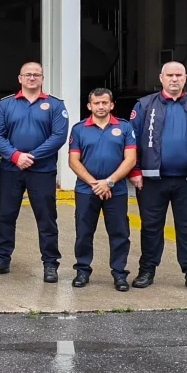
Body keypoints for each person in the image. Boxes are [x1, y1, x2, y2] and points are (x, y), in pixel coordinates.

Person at [129, 60, 187, 294]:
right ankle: (147, 271)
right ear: (161, 78)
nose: (174, 79)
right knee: (151, 228)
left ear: (185, 78)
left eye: (179, 75)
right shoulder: (144, 105)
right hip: (151, 181)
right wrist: (135, 170)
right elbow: (131, 141)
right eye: (170, 75)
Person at [0, 61, 69, 282]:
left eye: (36, 75)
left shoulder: (55, 105)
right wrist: (15, 156)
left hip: (42, 171)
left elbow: (58, 137)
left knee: (46, 218)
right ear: (20, 78)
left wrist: (31, 156)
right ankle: (2, 259)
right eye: (28, 74)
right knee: (6, 215)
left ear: (42, 78)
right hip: (11, 169)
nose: (32, 78)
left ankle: (50, 264)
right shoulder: (6, 105)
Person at [68, 87, 137, 292]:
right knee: (84, 232)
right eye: (96, 103)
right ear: (89, 106)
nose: (100, 106)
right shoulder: (79, 129)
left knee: (119, 232)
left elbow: (131, 159)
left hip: (116, 190)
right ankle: (82, 271)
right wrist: (95, 184)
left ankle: (119, 274)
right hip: (86, 189)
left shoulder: (125, 128)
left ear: (112, 105)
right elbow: (73, 161)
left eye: (104, 103)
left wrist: (109, 182)